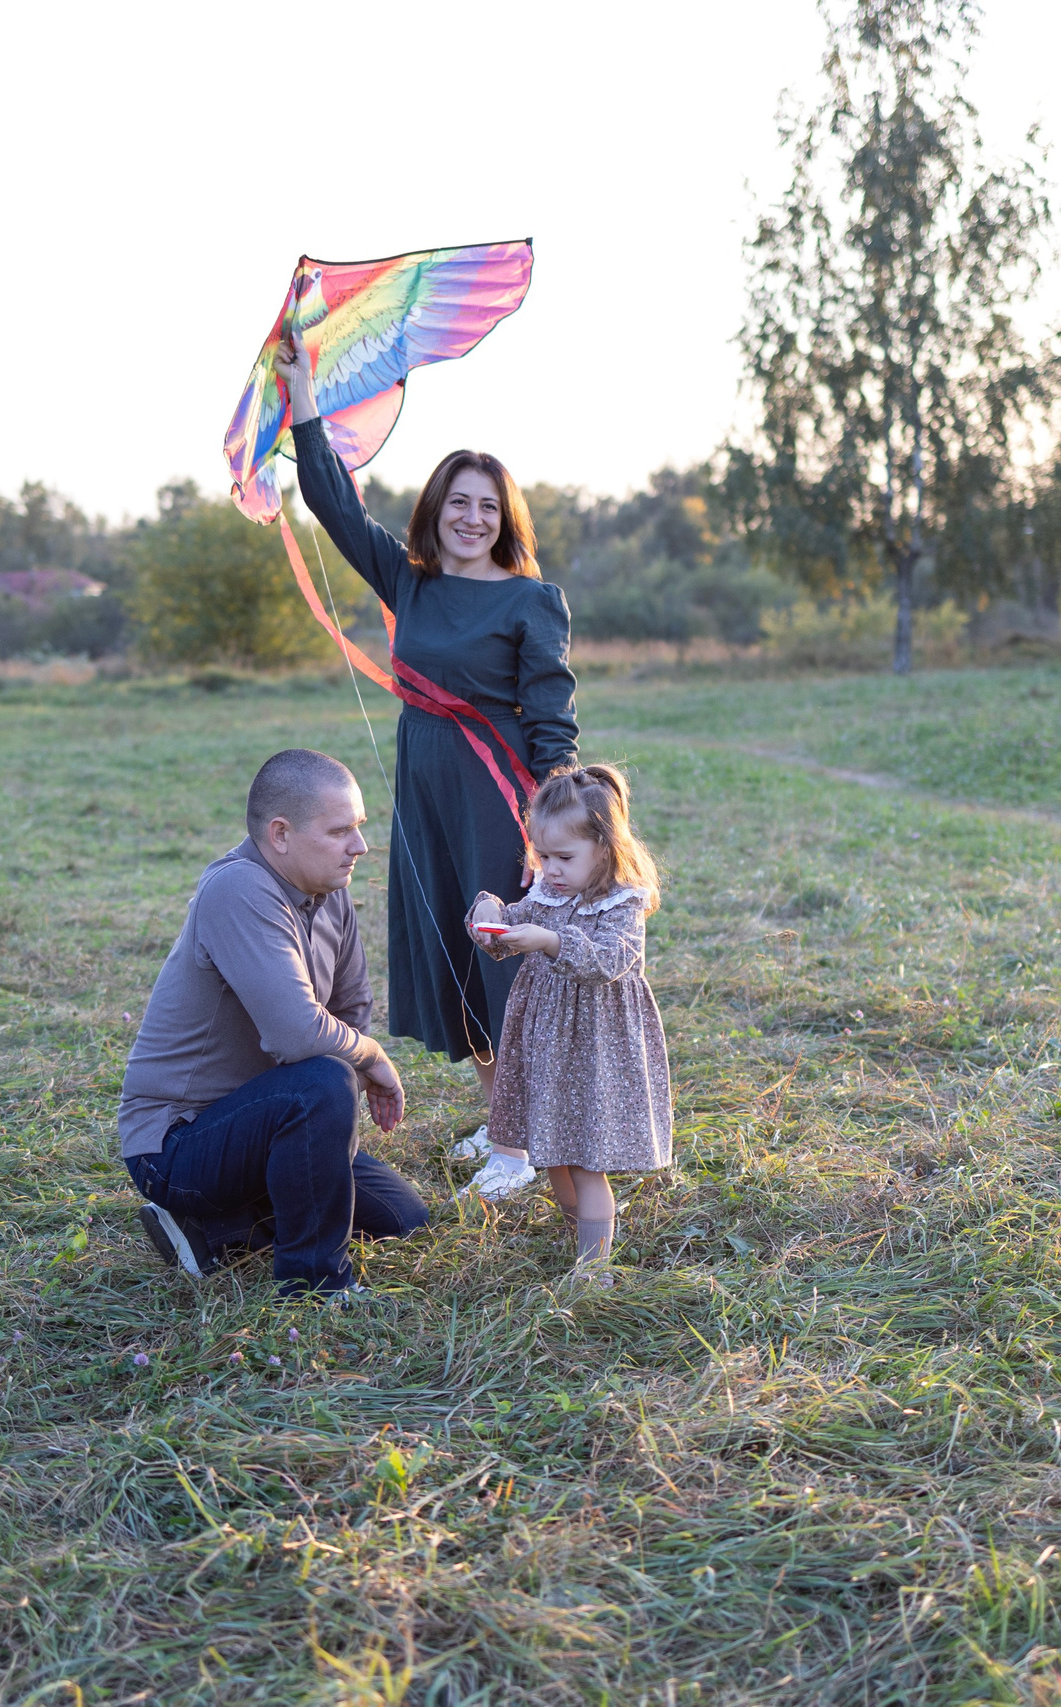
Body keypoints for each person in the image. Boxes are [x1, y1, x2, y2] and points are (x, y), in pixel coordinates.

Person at [277, 327, 578, 1204]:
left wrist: (552, 820)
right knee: (453, 951)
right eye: (458, 502)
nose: (472, 517)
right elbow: (333, 504)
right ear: (436, 512)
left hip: (496, 790)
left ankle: (522, 1147)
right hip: (422, 790)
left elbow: (552, 715)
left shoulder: (532, 600)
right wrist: (305, 404)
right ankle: (506, 1121)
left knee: (502, 956)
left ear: (505, 516)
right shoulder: (408, 581)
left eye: (488, 505)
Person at [119, 748, 428, 1300]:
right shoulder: (237, 888)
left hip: (273, 1120)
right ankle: (315, 1286)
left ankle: (216, 1232)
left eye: (358, 828)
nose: (359, 846)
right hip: (178, 1145)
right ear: (280, 834)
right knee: (323, 1080)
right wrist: (373, 1057)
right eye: (340, 831)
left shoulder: (331, 893)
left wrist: (338, 1092)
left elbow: (352, 1007)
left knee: (403, 1217)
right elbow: (297, 1036)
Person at [466, 764, 672, 1275]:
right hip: (547, 1043)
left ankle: (593, 1269)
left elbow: (609, 962)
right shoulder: (548, 893)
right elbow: (512, 929)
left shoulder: (622, 902)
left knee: (584, 1159)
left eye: (564, 857)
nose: (550, 869)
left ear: (604, 847)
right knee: (551, 1151)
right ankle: (580, 1228)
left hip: (596, 1047)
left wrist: (552, 941)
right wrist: (492, 918)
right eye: (542, 856)